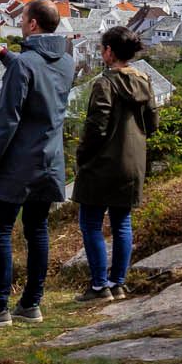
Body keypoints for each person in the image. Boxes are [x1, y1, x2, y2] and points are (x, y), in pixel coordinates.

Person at [0, 0, 76, 328]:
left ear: (32, 25)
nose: (19, 23)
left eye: (22, 19)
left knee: (0, 229)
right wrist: (3, 54)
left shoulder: (24, 65)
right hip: (51, 159)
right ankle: (31, 304)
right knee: (38, 229)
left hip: (18, 164)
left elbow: (6, 122)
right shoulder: (67, 61)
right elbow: (36, 70)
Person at [72, 27, 158, 302]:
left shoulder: (105, 83)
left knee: (91, 223)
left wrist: (82, 156)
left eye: (102, 48)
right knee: (122, 223)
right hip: (133, 161)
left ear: (109, 51)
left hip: (103, 162)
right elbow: (153, 124)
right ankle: (118, 282)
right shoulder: (145, 80)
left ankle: (99, 285)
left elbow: (96, 126)